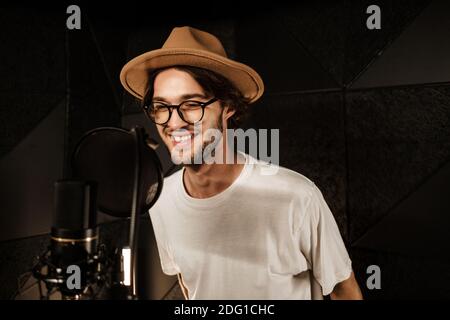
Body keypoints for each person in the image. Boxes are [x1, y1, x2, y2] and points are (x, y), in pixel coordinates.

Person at [120, 26, 363, 300]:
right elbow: (190, 287)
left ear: (228, 106)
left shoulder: (296, 196)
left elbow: (345, 290)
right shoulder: (160, 198)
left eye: (191, 104)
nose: (174, 122)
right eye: (161, 107)